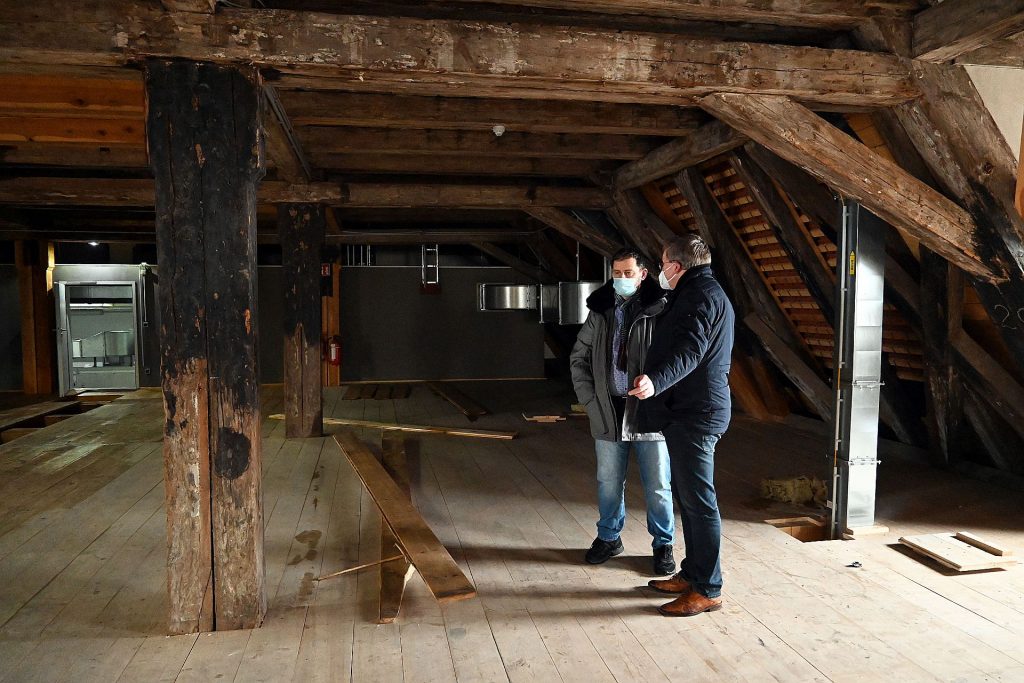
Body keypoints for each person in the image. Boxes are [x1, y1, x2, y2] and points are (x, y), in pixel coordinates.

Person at [628, 233, 735, 617]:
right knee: (689, 502)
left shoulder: (700, 295)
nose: (660, 271)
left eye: (661, 264)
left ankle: (708, 589)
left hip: (697, 414)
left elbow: (691, 350)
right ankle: (693, 575)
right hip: (691, 411)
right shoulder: (697, 290)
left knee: (699, 504)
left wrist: (656, 380)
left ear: (674, 266)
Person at [570, 248, 676, 576]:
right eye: (617, 273)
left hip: (649, 412)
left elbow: (677, 362)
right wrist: (590, 400)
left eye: (628, 273)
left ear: (643, 274)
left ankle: (663, 544)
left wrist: (659, 389)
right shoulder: (600, 311)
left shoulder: (661, 310)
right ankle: (608, 538)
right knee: (608, 481)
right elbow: (578, 358)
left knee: (658, 483)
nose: (621, 279)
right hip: (608, 411)